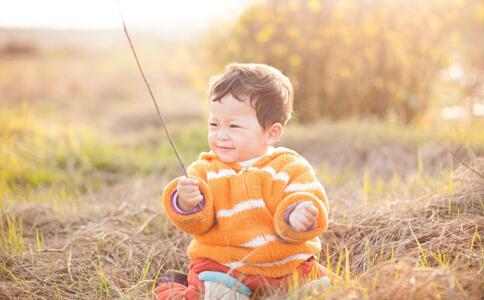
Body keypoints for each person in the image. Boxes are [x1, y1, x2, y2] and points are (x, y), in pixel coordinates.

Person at [155, 63, 329, 299]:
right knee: (213, 295)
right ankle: (172, 287)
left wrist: (298, 214)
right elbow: (198, 223)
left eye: (234, 126)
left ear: (272, 133)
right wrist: (186, 203)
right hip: (225, 267)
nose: (221, 134)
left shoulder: (289, 166)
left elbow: (308, 197)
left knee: (322, 289)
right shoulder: (205, 170)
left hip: (287, 264)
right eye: (214, 124)